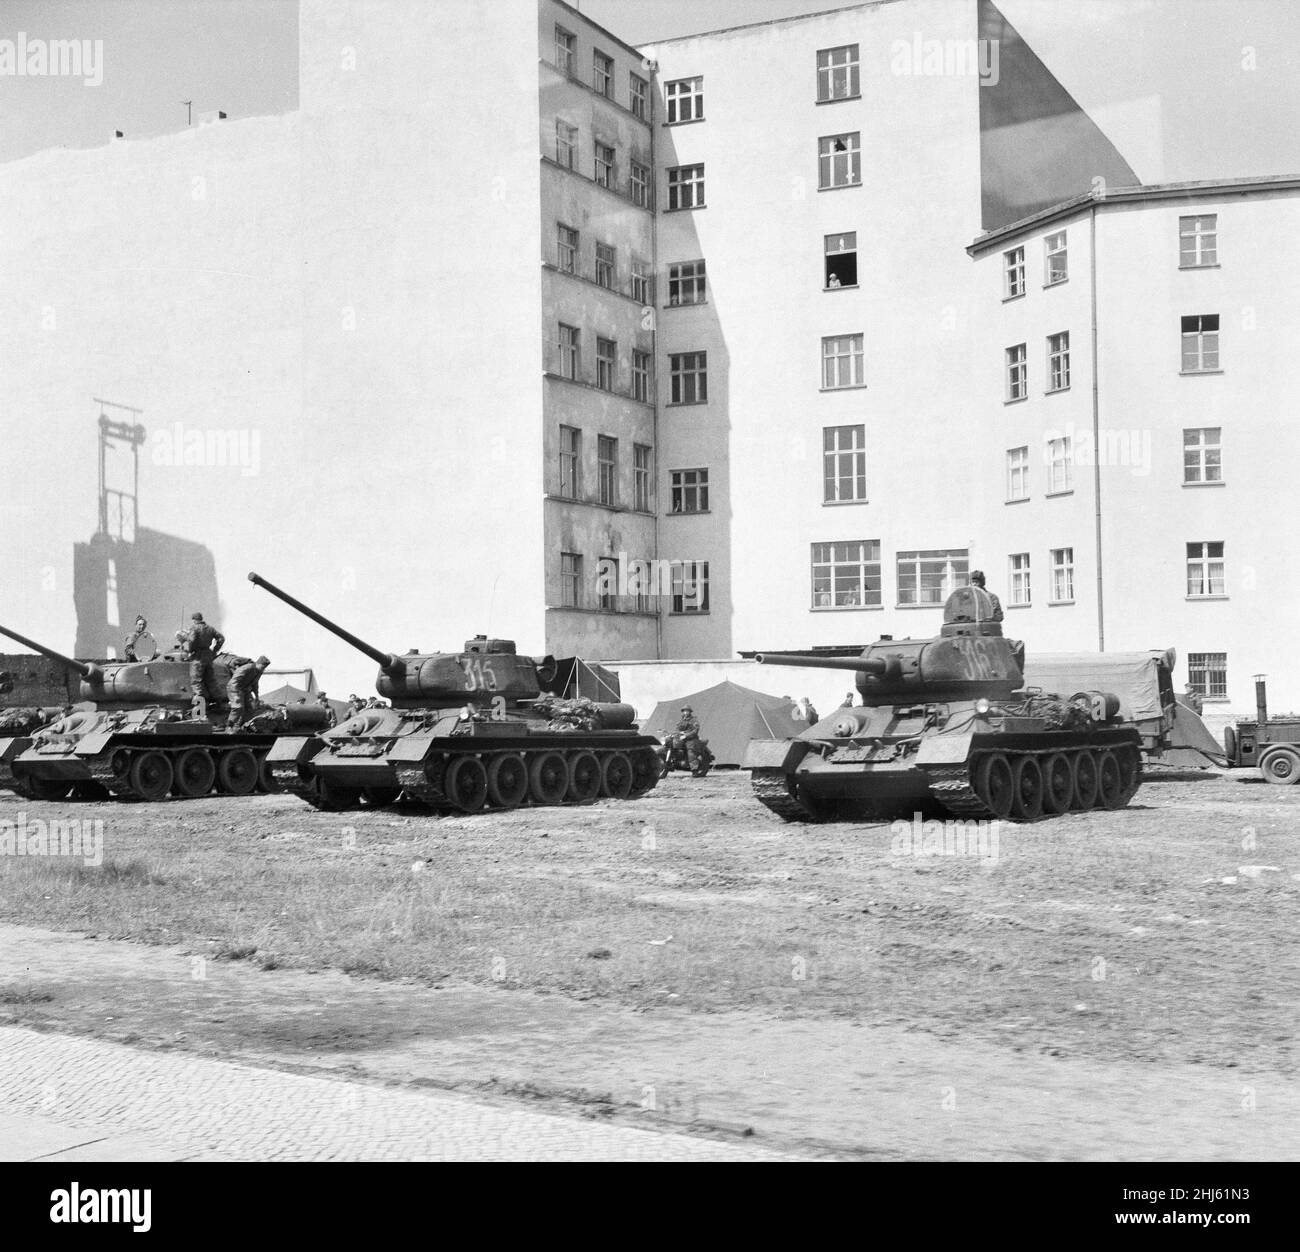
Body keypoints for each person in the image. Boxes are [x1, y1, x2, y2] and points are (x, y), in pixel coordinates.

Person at [180, 612, 226, 705]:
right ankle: (220, 703)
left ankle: (199, 708)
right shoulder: (210, 628)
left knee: (196, 681)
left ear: (194, 620)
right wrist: (214, 650)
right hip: (208, 655)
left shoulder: (194, 628)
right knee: (211, 680)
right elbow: (221, 638)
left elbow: (192, 640)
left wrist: (191, 650)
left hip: (198, 656)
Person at [223, 654, 270, 728]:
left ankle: (243, 725)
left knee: (250, 708)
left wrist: (257, 697)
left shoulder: (259, 671)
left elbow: (255, 684)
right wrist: (237, 696)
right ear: (258, 664)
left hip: (244, 689)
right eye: (263, 666)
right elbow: (235, 680)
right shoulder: (247, 668)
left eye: (265, 667)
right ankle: (229, 726)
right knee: (237, 707)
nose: (264, 669)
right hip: (234, 687)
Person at [670, 705, 702, 771]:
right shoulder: (682, 720)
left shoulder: (694, 720)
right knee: (672, 745)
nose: (685, 712)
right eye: (684, 711)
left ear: (690, 712)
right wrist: (676, 733)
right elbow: (677, 728)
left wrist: (686, 735)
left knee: (691, 752)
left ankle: (694, 770)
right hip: (682, 738)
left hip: (692, 739)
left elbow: (695, 730)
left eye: (687, 711)